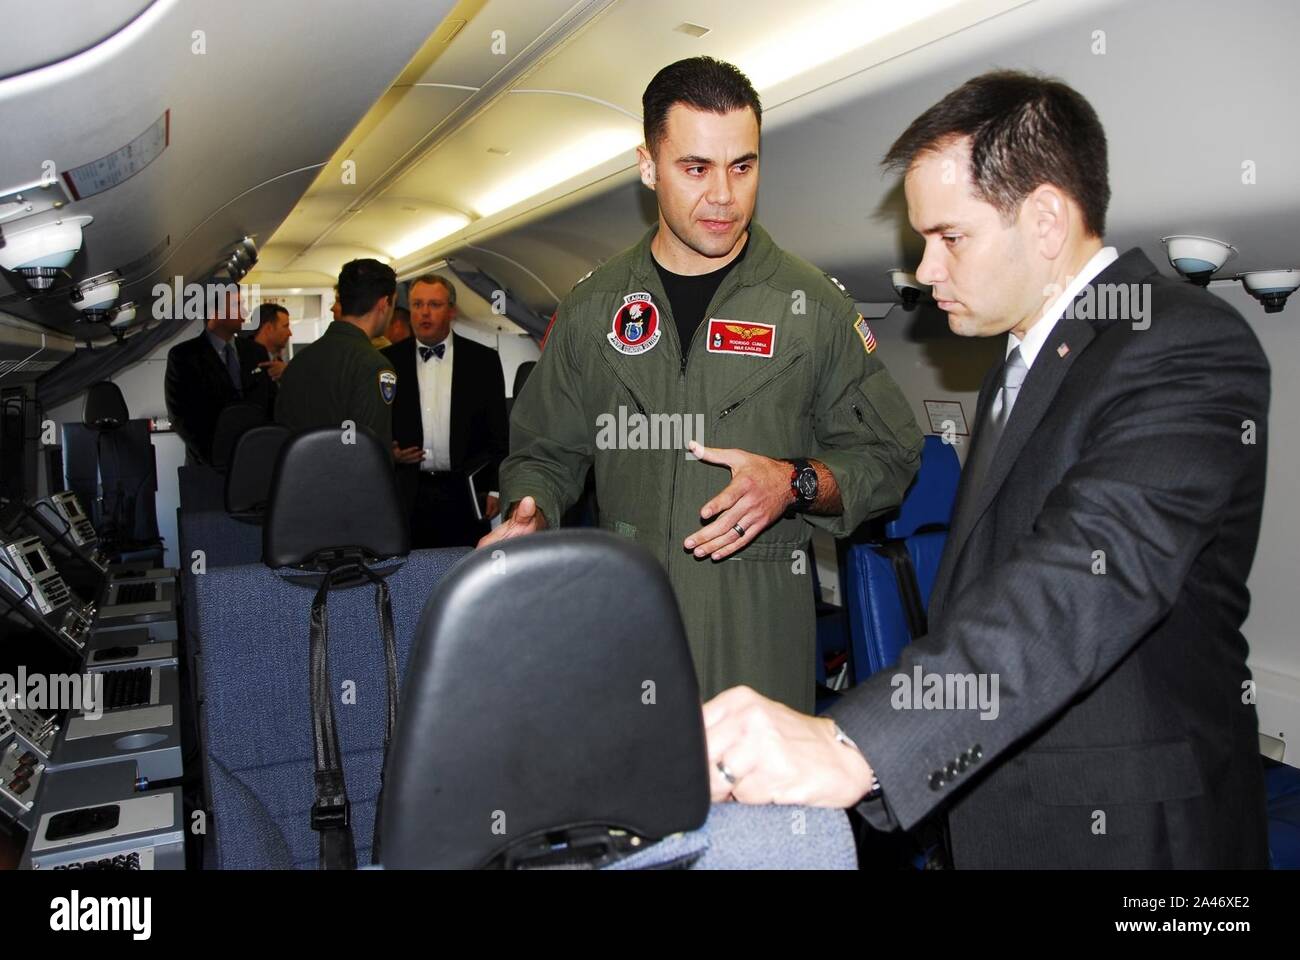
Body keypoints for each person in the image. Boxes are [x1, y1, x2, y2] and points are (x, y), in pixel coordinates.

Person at [702, 70, 1271, 869]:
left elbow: (1085, 581)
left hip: (1130, 834)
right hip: (998, 798)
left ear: (1044, 220)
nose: (925, 271)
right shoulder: (1019, 363)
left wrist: (852, 741)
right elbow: (984, 590)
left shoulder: (1180, 343)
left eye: (950, 237)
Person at [486, 57, 923, 712]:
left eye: (742, 166)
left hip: (755, 648)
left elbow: (889, 456)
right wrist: (530, 510)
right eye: (696, 168)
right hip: (622, 636)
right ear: (647, 165)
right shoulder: (593, 307)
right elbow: (546, 451)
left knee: (754, 812)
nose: (724, 194)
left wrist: (794, 482)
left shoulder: (809, 307)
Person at [382, 275, 508, 548]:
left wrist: (497, 487)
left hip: (464, 490)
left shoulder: (482, 360)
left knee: (465, 572)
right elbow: (378, 426)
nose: (424, 313)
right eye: (417, 304)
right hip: (409, 491)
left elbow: (499, 430)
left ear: (451, 310)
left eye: (434, 304)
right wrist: (391, 454)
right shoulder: (388, 362)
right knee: (411, 576)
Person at [275, 258, 400, 450]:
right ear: (384, 304)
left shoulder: (299, 361)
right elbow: (369, 449)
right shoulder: (374, 366)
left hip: (297, 477)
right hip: (345, 478)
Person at [164, 286, 275, 465]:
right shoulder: (184, 356)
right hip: (207, 464)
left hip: (254, 459)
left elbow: (269, 403)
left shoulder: (255, 352)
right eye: (237, 305)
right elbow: (181, 415)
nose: (245, 312)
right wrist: (217, 458)